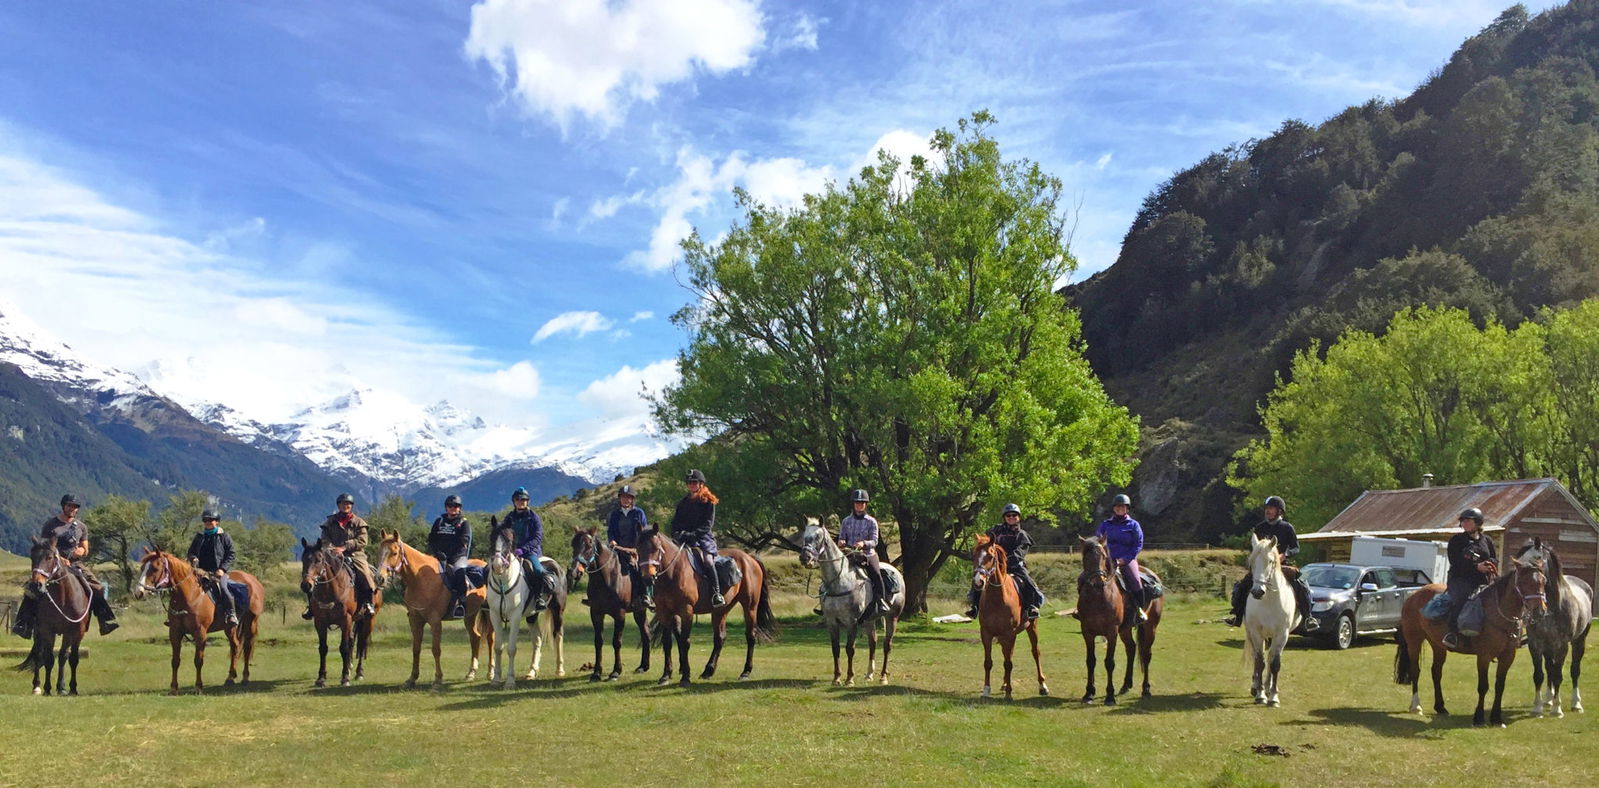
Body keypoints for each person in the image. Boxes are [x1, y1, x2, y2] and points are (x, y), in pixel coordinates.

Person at [12, 494, 120, 638]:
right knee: (32, 589)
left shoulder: (81, 527)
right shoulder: (51, 525)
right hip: (51, 563)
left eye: (75, 507)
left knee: (98, 587)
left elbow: (85, 548)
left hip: (75, 564)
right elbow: (44, 547)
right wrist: (60, 559)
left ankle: (104, 621)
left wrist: (80, 551)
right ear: (63, 506)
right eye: (69, 505)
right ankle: (23, 625)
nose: (72, 509)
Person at [1224, 495, 1311, 628]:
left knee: (1302, 585)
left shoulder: (1287, 528)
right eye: (1267, 508)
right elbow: (1254, 548)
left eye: (1271, 508)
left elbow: (1295, 548)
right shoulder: (1259, 528)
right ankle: (1237, 615)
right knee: (1243, 585)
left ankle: (1308, 618)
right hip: (1262, 567)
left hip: (1282, 566)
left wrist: (1284, 555)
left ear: (1279, 511)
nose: (1267, 511)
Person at [820, 489, 890, 620]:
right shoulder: (846, 521)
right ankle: (823, 602)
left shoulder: (871, 521)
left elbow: (875, 541)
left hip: (867, 555)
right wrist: (841, 541)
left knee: (876, 574)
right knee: (830, 574)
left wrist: (864, 543)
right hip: (849, 554)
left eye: (862, 503)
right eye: (857, 503)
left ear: (866, 505)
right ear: (853, 504)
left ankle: (880, 602)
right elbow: (842, 537)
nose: (859, 505)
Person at [304, 493, 376, 621]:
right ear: (338, 505)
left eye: (348, 504)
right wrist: (332, 549)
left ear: (351, 506)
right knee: (313, 574)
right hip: (332, 554)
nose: (346, 506)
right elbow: (324, 539)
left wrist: (344, 547)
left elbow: (362, 541)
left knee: (364, 572)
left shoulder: (359, 522)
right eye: (343, 503)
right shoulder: (329, 522)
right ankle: (312, 606)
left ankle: (368, 602)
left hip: (355, 554)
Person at [966, 504, 1041, 620]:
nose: (1011, 517)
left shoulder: (1022, 535)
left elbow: (1019, 553)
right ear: (1004, 517)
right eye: (1008, 515)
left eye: (1014, 515)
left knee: (1028, 581)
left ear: (1018, 517)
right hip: (994, 566)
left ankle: (1032, 607)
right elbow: (985, 543)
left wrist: (1005, 561)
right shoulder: (995, 530)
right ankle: (975, 607)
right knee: (977, 579)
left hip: (1014, 566)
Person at [1442, 507, 1498, 650]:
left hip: (1483, 580)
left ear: (1478, 523)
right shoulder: (1456, 540)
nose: (1464, 523)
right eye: (1463, 521)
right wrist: (1476, 567)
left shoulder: (1487, 540)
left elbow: (1493, 557)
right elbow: (1455, 561)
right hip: (1460, 579)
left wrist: (1488, 563)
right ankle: (1452, 633)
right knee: (1461, 599)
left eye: (1468, 520)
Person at [669, 469, 724, 607]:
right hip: (684, 539)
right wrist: (676, 533)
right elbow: (675, 522)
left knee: (707, 561)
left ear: (701, 484)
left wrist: (693, 534)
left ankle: (716, 593)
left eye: (694, 482)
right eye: (689, 483)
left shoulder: (708, 502)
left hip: (703, 539)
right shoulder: (682, 503)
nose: (691, 485)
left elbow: (707, 525)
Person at [1097, 494, 1148, 626]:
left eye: (1123, 506)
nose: (1120, 508)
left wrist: (1124, 560)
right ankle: (1083, 610)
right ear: (1114, 508)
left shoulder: (1133, 525)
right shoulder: (1105, 524)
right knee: (1084, 578)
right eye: (1118, 506)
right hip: (1107, 560)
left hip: (1127, 559)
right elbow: (1098, 540)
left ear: (1127, 508)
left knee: (1136, 581)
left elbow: (1138, 545)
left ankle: (1140, 611)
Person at [502, 487, 550, 620]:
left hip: (530, 552)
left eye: (523, 499)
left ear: (527, 501)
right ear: (514, 501)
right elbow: (503, 532)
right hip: (511, 552)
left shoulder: (533, 517)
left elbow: (537, 537)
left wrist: (523, 549)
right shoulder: (509, 517)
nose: (520, 501)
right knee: (495, 569)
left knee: (538, 571)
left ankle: (539, 599)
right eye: (518, 499)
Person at [187, 510, 239, 627]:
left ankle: (231, 614)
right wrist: (193, 558)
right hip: (200, 571)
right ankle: (176, 617)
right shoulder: (199, 536)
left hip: (218, 572)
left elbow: (231, 554)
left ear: (217, 522)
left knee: (224, 588)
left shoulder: (224, 536)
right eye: (205, 520)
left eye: (211, 520)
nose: (208, 522)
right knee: (183, 588)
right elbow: (190, 552)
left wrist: (222, 569)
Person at [603, 484, 651, 610]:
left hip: (635, 550)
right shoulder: (614, 514)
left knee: (638, 569)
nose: (626, 500)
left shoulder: (639, 513)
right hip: (617, 549)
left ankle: (644, 595)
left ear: (632, 499)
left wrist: (638, 548)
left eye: (628, 497)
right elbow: (611, 531)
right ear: (620, 499)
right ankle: (598, 598)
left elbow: (644, 532)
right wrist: (612, 540)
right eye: (623, 497)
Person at [429, 495, 473, 621]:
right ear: (446, 507)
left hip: (458, 557)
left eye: (456, 506)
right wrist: (437, 553)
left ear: (459, 508)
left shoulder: (464, 523)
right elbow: (432, 539)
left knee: (459, 573)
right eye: (450, 506)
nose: (453, 508)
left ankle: (461, 604)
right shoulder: (439, 521)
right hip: (439, 556)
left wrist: (450, 556)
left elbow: (463, 541)